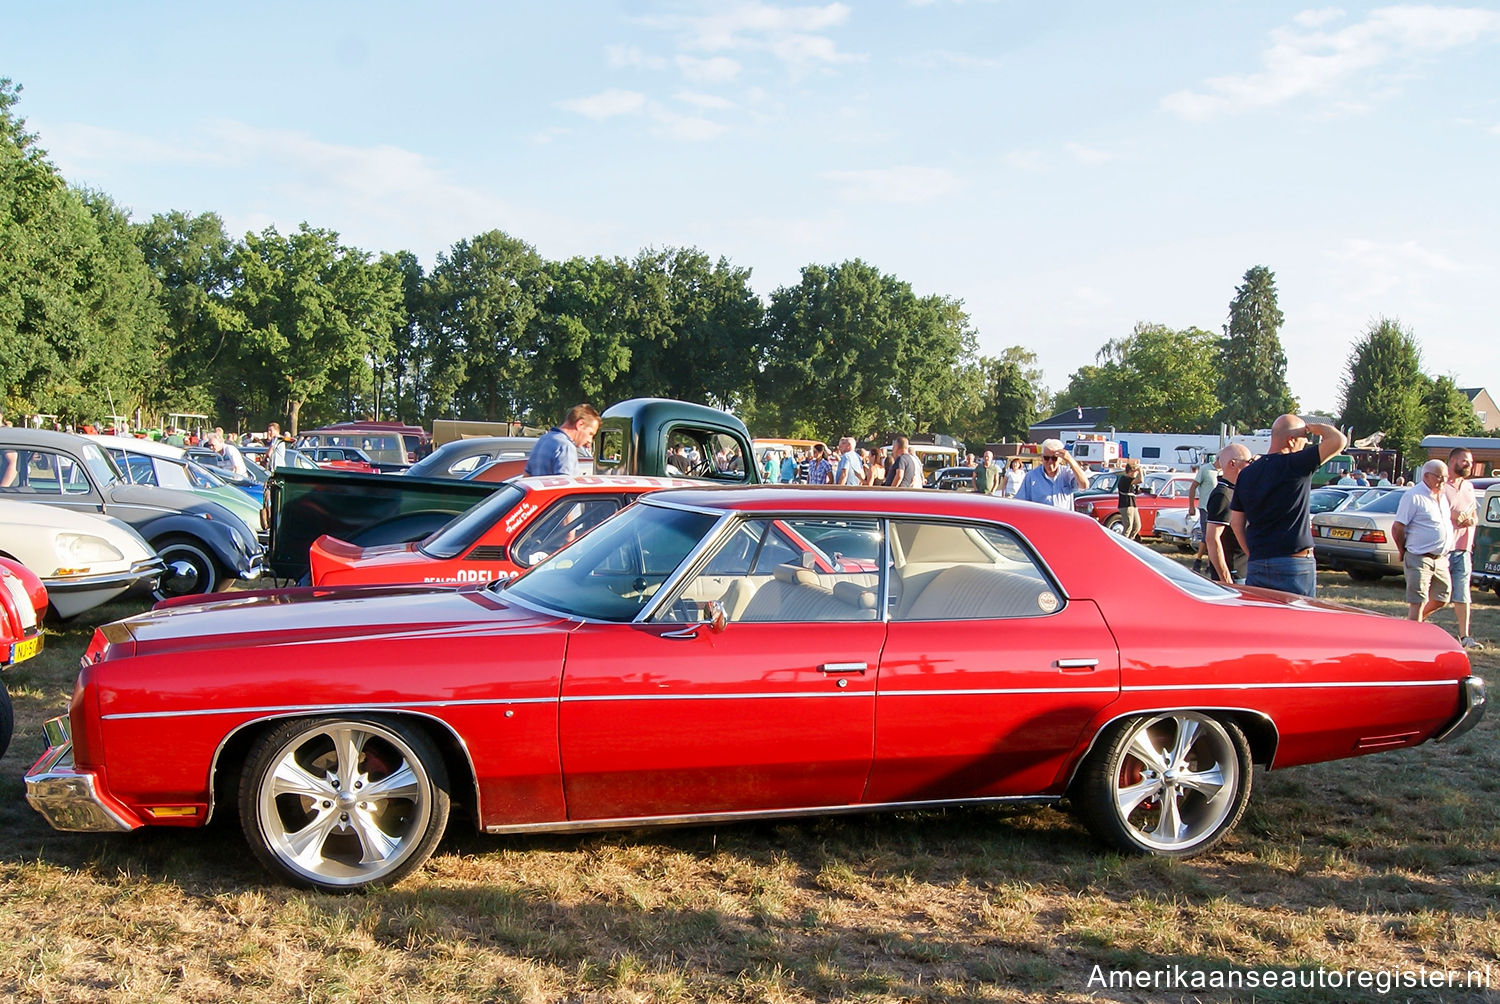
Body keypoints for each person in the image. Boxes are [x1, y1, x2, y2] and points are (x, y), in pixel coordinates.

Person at [1229, 414, 1348, 597]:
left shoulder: (1246, 473)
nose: (1305, 444)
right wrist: (1315, 427)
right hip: (1294, 562)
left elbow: (1236, 523)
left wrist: (1251, 553)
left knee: (1261, 621)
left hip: (1258, 560)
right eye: (1303, 439)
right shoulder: (1296, 463)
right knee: (1297, 622)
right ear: (1292, 441)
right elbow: (1338, 440)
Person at [1392, 459, 1452, 623]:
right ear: (1426, 476)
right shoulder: (1414, 496)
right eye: (1439, 477)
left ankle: (1415, 624)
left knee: (1442, 597)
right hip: (1419, 556)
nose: (1444, 481)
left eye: (1446, 477)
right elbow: (1397, 527)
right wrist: (1402, 550)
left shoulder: (1442, 496)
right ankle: (1413, 635)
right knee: (1418, 601)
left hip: (1440, 558)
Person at [1441, 448, 1483, 649]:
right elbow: (1434, 511)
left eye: (1471, 461)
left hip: (1463, 548)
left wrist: (1472, 519)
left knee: (1463, 592)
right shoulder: (1440, 485)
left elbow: (1473, 511)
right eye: (1465, 461)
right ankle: (1415, 623)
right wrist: (1454, 518)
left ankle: (1464, 636)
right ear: (1453, 461)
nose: (1469, 465)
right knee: (1437, 594)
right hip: (1443, 548)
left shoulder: (1468, 486)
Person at [1204, 444, 1252, 584]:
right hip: (1234, 573)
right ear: (1233, 463)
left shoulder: (1235, 491)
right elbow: (1212, 539)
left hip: (1244, 569)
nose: (1251, 466)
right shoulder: (1223, 495)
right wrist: (1225, 578)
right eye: (1249, 462)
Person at [524, 404, 601, 477]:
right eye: (590, 434)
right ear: (580, 424)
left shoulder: (543, 439)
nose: (590, 440)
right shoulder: (565, 446)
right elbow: (566, 486)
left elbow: (526, 476)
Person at [1015, 439, 1087, 508]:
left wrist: (1070, 460)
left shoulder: (1067, 474)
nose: (1050, 462)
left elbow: (1084, 485)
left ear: (1060, 459)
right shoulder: (1031, 477)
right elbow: (1020, 503)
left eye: (1054, 458)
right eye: (1046, 458)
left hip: (1063, 519)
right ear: (1042, 458)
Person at [1187, 457, 1219, 574]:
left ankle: (1211, 563)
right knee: (1207, 535)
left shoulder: (1224, 471)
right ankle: (1199, 560)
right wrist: (1191, 506)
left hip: (1218, 508)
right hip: (1205, 507)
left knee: (1215, 536)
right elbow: (1193, 486)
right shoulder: (1205, 469)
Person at [1116, 461, 1141, 540]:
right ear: (1130, 471)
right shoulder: (1125, 479)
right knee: (1128, 526)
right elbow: (1140, 480)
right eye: (1135, 472)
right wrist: (1140, 471)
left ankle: (1130, 541)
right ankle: (1123, 542)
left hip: (1133, 504)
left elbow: (1137, 489)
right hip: (1126, 505)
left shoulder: (1131, 481)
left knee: (1137, 526)